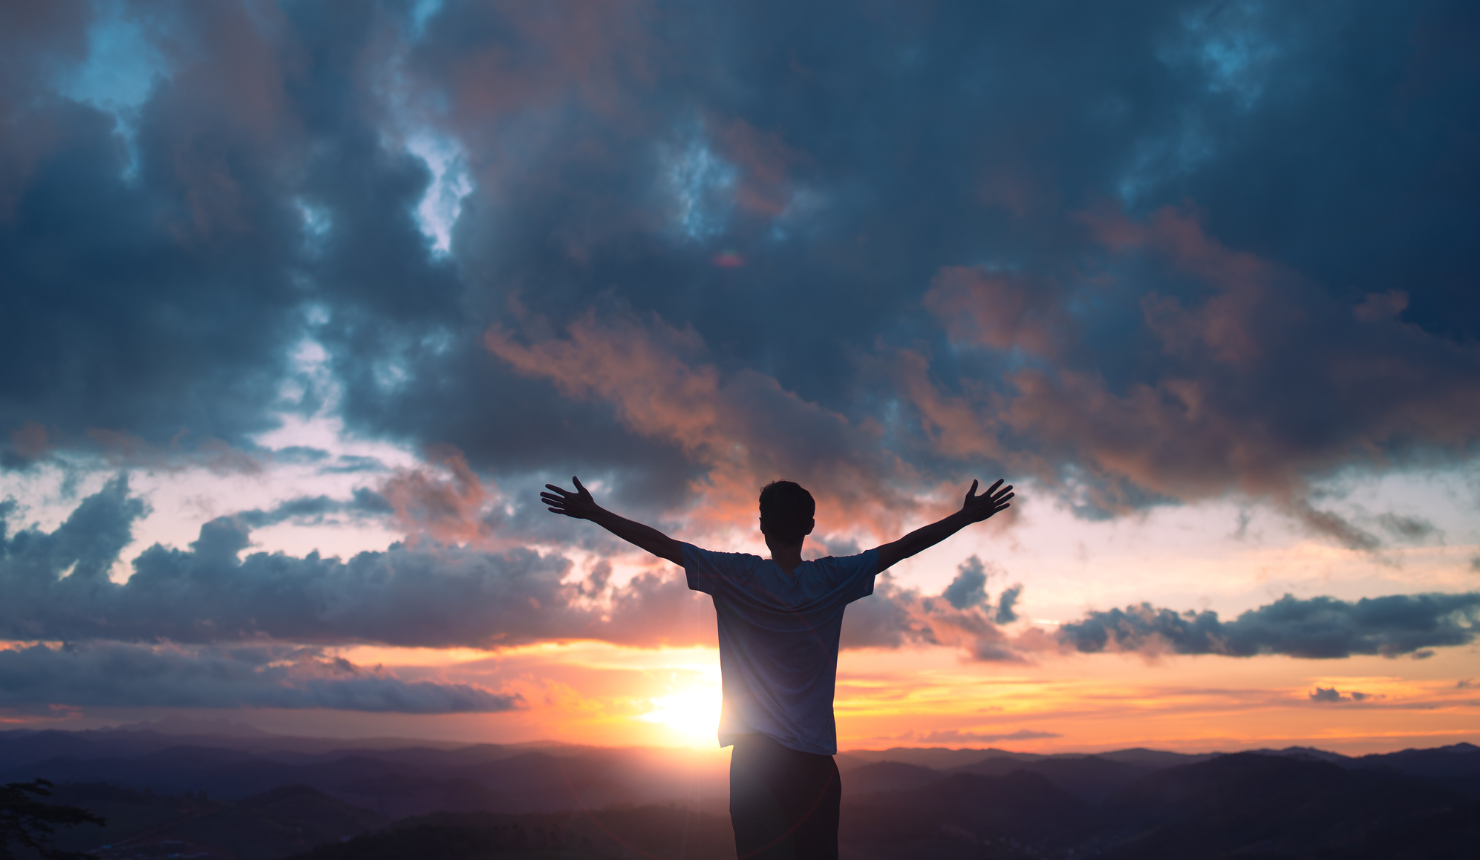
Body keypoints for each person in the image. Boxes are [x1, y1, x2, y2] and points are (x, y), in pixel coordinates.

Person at [540, 475, 1014, 860]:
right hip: (814, 766)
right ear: (808, 527)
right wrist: (965, 518)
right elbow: (903, 547)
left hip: (754, 765)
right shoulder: (834, 578)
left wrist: (595, 513)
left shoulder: (736, 576)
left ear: (763, 527)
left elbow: (661, 544)